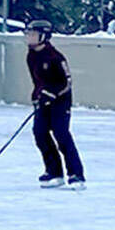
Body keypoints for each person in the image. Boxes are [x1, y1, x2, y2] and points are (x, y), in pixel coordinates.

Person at [25, 19, 85, 190]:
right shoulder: (31, 56)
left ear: (43, 36)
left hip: (60, 101)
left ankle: (76, 174)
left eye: (33, 34)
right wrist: (37, 96)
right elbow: (37, 81)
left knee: (61, 134)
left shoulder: (55, 57)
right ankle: (54, 171)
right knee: (39, 133)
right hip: (43, 101)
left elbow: (66, 82)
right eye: (28, 34)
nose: (29, 38)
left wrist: (51, 93)